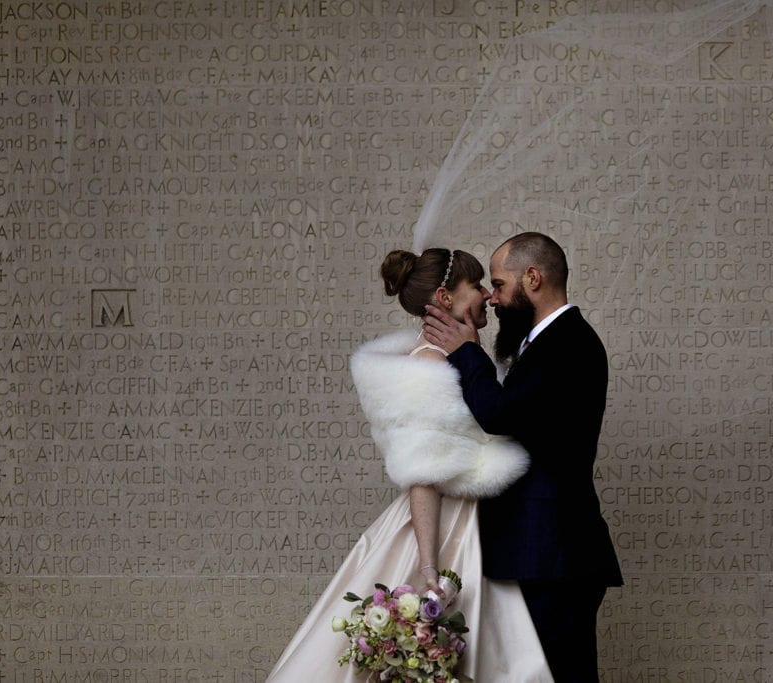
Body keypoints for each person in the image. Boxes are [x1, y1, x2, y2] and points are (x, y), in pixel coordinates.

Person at [266, 247, 554, 682]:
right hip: (443, 530)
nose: (486, 297)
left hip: (481, 523)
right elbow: (423, 473)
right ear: (443, 297)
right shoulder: (428, 364)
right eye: (476, 286)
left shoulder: (457, 356)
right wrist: (427, 568)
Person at [422, 231, 624, 682]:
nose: (491, 299)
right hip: (542, 552)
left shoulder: (568, 343)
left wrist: (467, 352)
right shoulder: (543, 344)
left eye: (498, 284)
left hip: (555, 554)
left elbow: (500, 415)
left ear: (532, 278)